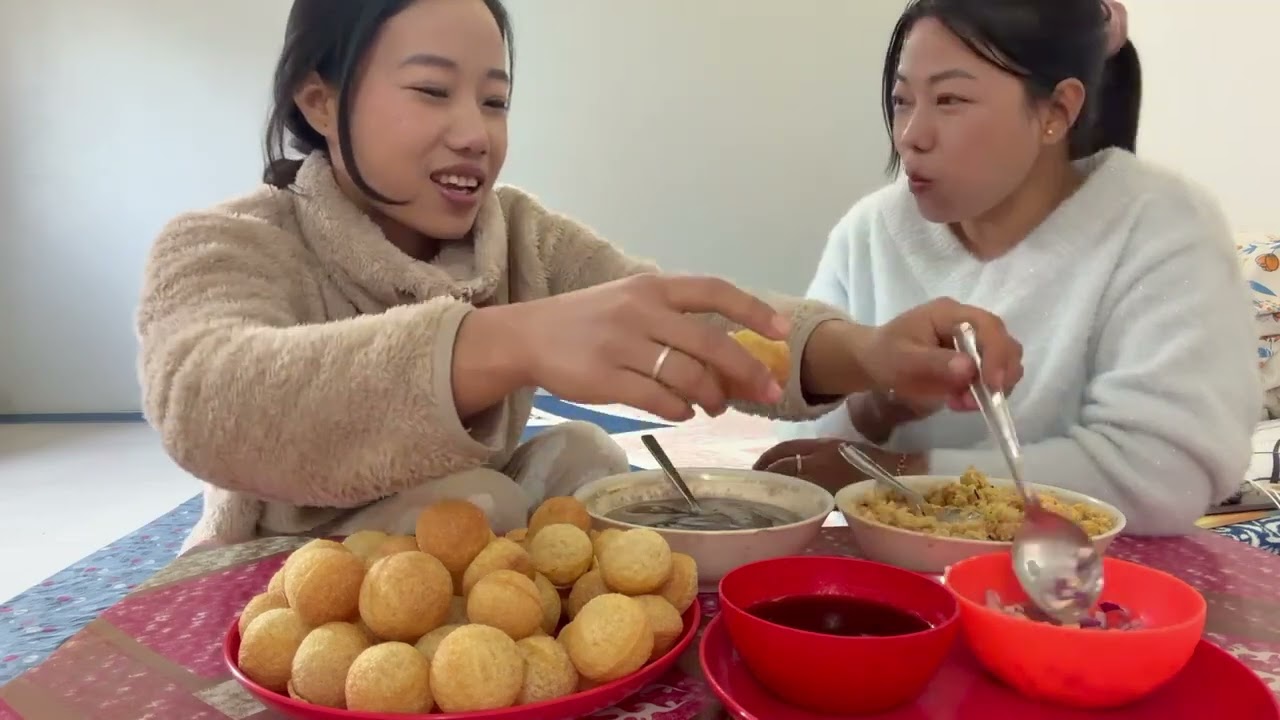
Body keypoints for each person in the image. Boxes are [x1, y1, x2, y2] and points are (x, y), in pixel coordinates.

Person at [136, 0, 1024, 551]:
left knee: (589, 460)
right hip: (288, 583)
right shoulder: (230, 242)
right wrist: (500, 343)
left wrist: (867, 351)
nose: (475, 132)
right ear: (320, 100)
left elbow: (685, 322)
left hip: (485, 579)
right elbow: (203, 398)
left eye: (494, 98)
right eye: (431, 91)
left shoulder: (517, 234)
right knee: (475, 499)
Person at [755, 0, 1261, 536]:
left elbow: (1166, 475)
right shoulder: (873, 230)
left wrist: (902, 475)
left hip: (1088, 590)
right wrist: (881, 406)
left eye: (950, 99)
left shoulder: (1160, 226)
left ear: (1056, 111)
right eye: (903, 100)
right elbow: (817, 443)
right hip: (899, 578)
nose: (911, 135)